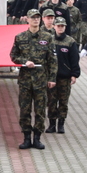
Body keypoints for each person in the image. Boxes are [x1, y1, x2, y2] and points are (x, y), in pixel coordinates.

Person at [9, 10, 57, 150]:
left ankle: (37, 138)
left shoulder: (47, 37)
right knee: (25, 110)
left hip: (41, 80)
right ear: (27, 20)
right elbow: (13, 56)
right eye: (33, 18)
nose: (36, 20)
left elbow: (53, 60)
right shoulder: (20, 37)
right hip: (25, 80)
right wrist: (24, 61)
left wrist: (52, 78)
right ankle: (26, 137)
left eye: (37, 18)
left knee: (40, 110)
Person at [46, 17, 80, 135]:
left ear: (65, 27)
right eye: (58, 26)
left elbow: (74, 59)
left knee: (63, 102)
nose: (60, 28)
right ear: (54, 26)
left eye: (62, 26)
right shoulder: (49, 40)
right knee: (51, 101)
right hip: (51, 77)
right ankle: (51, 124)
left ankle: (61, 124)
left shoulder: (70, 41)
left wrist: (74, 74)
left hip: (65, 77)